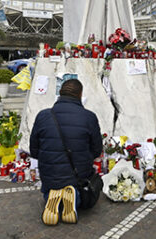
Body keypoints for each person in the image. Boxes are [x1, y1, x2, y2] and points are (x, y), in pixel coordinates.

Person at [30, 79, 102, 226]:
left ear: (60, 93)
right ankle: (73, 199)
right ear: (80, 95)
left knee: (51, 187)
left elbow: (34, 151)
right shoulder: (89, 117)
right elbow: (97, 150)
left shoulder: (43, 116)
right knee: (86, 195)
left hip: (50, 176)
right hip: (77, 178)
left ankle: (52, 196)